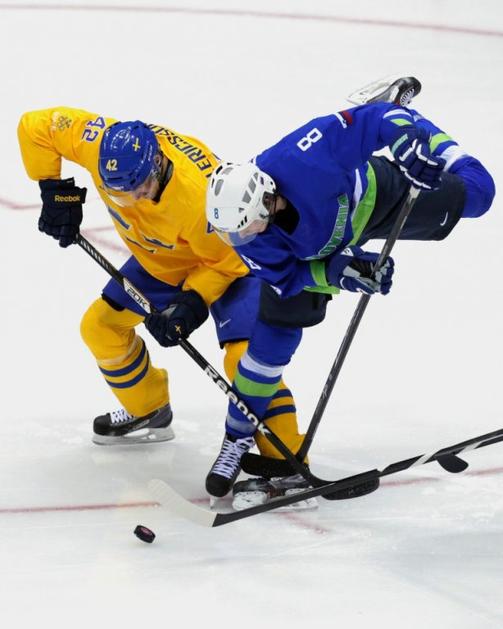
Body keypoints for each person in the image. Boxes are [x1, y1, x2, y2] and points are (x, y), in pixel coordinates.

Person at [205, 78, 496, 501]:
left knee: (481, 193)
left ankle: (423, 131)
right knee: (268, 348)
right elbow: (289, 278)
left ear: (267, 200)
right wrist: (341, 273)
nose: (239, 240)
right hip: (314, 252)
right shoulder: (248, 234)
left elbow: (375, 121)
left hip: (375, 200)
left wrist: (406, 141)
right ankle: (235, 439)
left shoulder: (303, 155)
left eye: (244, 228)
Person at [17, 108, 305, 494]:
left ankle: (286, 460)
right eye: (118, 194)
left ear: (157, 166)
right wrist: (55, 191)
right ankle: (149, 408)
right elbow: (35, 126)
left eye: (138, 190)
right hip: (164, 259)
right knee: (100, 328)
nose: (129, 202)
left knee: (244, 359)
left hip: (236, 263)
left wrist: (191, 304)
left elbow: (228, 261)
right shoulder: (98, 143)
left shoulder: (197, 198)